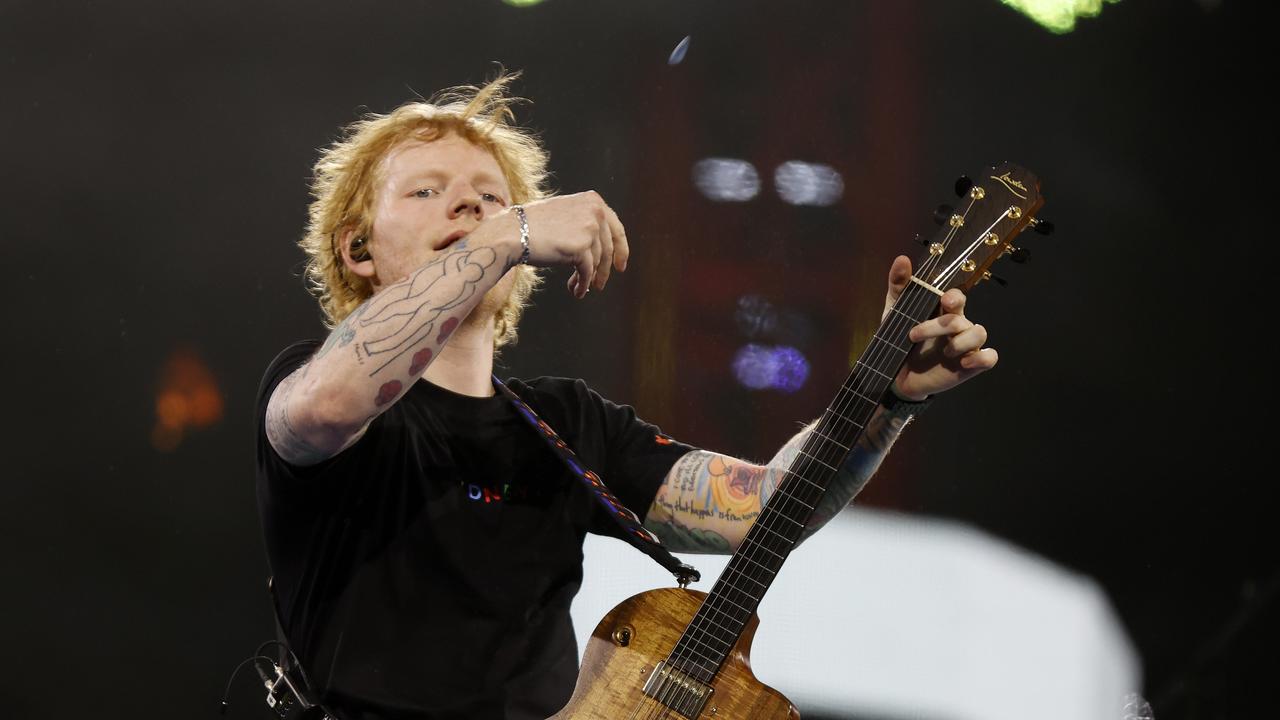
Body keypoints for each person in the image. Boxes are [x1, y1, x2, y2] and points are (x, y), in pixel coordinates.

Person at [255, 74, 998, 720]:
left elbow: (764, 508)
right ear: (357, 249)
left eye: (492, 196)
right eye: (427, 190)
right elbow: (327, 406)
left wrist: (887, 402)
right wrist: (505, 231)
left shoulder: (566, 424)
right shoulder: (314, 381)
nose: (471, 208)